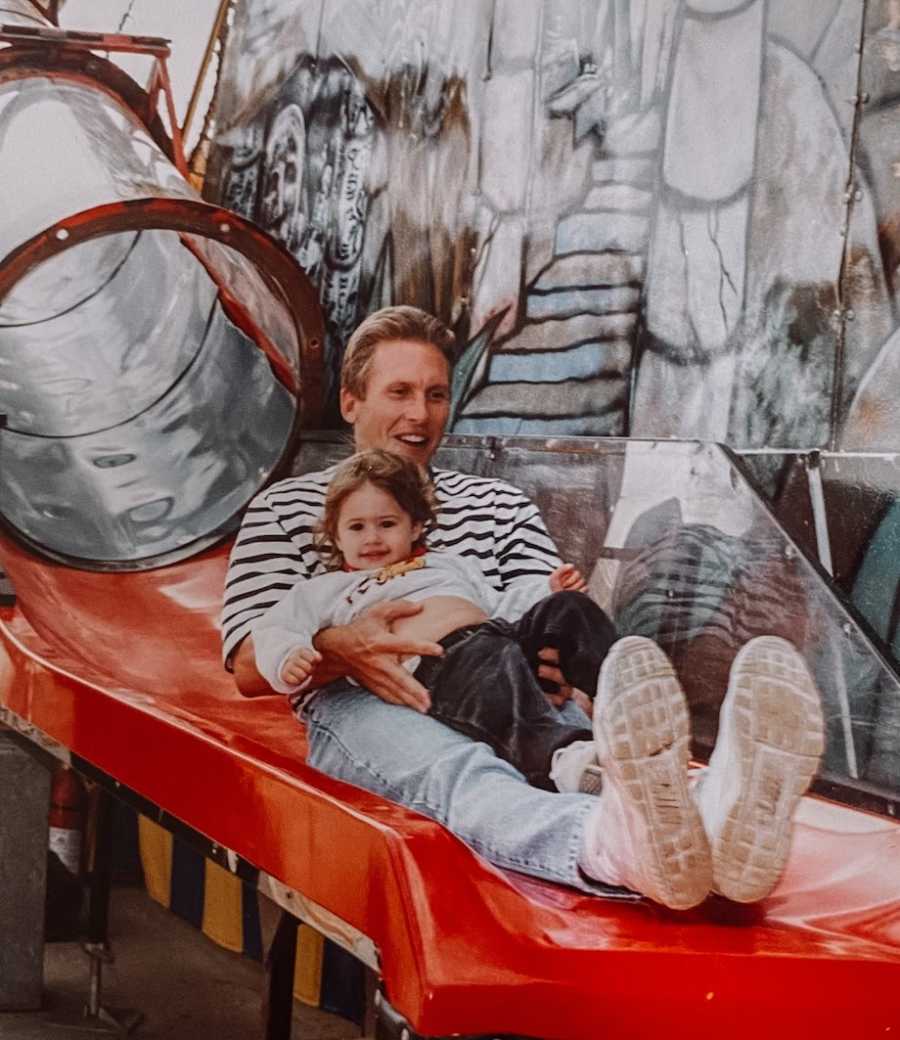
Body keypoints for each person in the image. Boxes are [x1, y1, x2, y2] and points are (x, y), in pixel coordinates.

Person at [222, 304, 824, 910]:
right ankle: (603, 844)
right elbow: (250, 664)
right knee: (456, 767)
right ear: (351, 402)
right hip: (364, 695)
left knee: (565, 723)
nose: (418, 413)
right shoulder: (291, 507)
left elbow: (538, 606)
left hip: (503, 667)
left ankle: (712, 809)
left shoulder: (499, 501)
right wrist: (340, 646)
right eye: (398, 392)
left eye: (435, 394)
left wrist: (560, 651)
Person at [252, 448, 618, 792]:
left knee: (569, 609)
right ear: (336, 536)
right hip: (442, 665)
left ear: (414, 528)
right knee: (499, 688)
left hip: (498, 636)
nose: (373, 538)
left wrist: (546, 590)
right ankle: (568, 759)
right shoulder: (328, 589)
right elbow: (275, 627)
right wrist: (288, 657)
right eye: (357, 528)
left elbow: (499, 603)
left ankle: (621, 696)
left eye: (387, 524)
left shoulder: (447, 563)